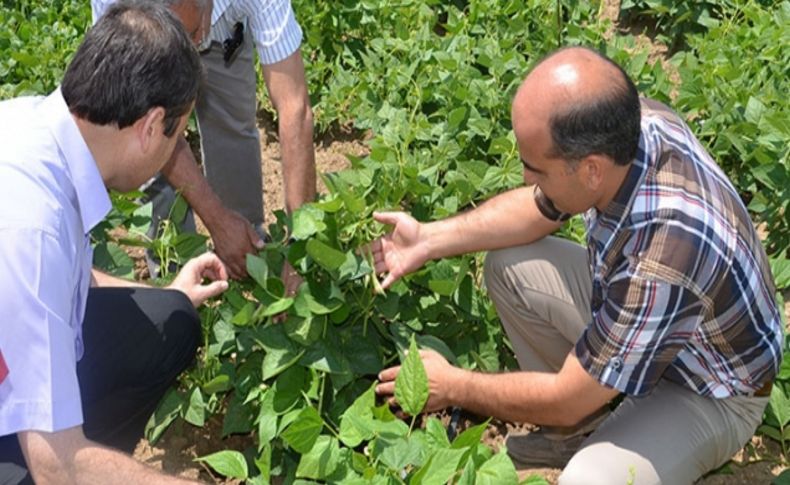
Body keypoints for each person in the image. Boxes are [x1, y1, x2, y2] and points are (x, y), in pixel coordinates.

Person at [372, 47, 783, 484]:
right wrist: (428, 240)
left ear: (590, 170)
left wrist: (453, 386)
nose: (527, 178)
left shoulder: (664, 255)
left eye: (536, 168)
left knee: (588, 480)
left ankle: (598, 419)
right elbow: (537, 207)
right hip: (645, 318)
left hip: (705, 387)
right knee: (511, 266)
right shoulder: (630, 127)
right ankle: (577, 430)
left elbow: (568, 396)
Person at [0, 2, 229, 483]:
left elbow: (62, 276)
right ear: (150, 127)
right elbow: (53, 464)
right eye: (177, 136)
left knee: (170, 321)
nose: (173, 150)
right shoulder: (31, 227)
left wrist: (166, 294)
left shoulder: (34, 128)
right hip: (34, 438)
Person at [92, 0, 317, 287]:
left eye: (193, 31)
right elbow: (151, 127)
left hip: (225, 35)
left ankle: (249, 253)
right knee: (147, 154)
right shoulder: (117, 5)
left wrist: (300, 249)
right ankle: (178, 280)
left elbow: (294, 108)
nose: (192, 51)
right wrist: (217, 219)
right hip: (147, 46)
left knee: (232, 127)